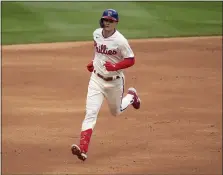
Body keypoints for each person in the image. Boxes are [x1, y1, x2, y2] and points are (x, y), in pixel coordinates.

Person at [71, 9, 141, 161]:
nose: (107, 23)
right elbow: (99, 54)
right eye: (105, 20)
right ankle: (82, 148)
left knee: (116, 112)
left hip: (114, 82)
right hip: (96, 80)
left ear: (116, 22)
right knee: (91, 113)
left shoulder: (120, 41)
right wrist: (94, 63)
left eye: (110, 20)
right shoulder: (96, 34)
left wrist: (116, 67)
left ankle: (131, 96)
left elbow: (131, 59)